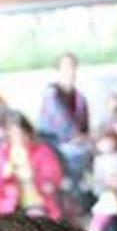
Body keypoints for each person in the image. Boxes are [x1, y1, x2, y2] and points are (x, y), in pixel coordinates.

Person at [38, 53, 91, 217]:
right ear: (58, 70)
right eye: (66, 67)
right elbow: (63, 127)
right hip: (54, 149)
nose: (71, 71)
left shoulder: (80, 98)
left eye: (73, 66)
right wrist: (77, 138)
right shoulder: (51, 95)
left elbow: (84, 129)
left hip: (75, 148)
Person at [0, 112, 64, 220]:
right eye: (14, 134)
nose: (19, 138)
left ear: (29, 132)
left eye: (23, 133)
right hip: (9, 206)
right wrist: (4, 175)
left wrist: (36, 176)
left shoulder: (42, 151)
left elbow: (51, 179)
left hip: (37, 203)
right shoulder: (0, 154)